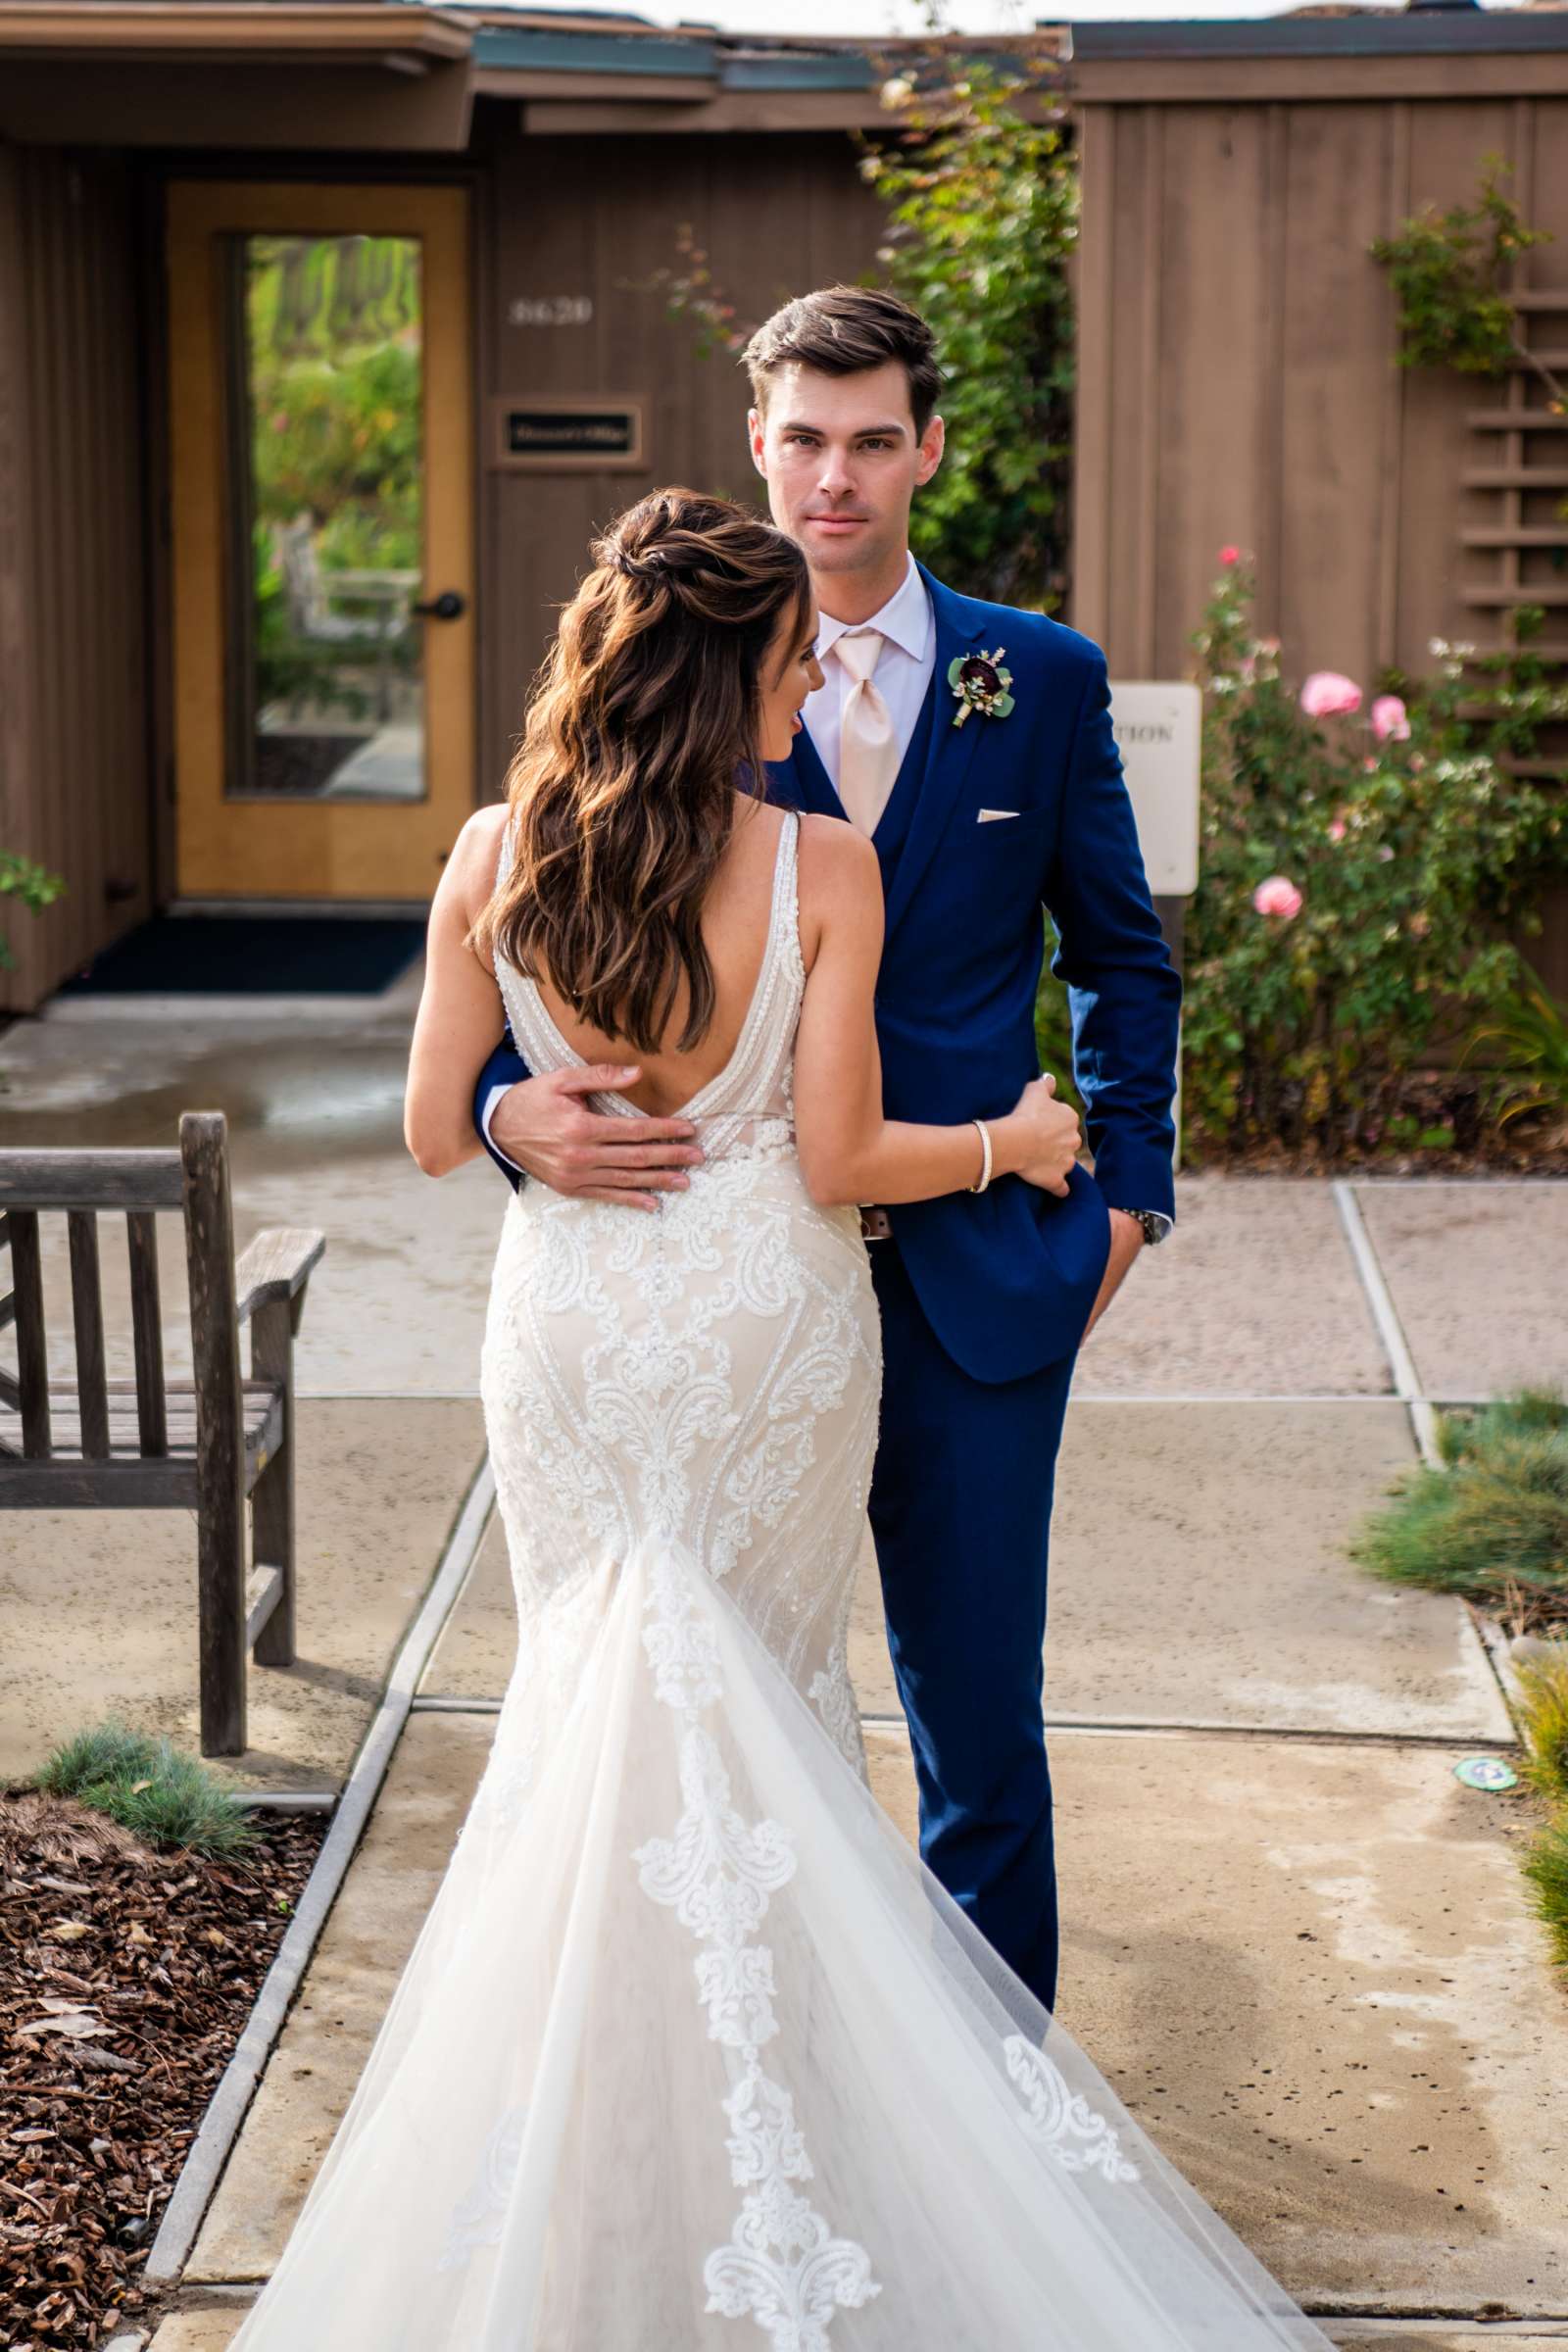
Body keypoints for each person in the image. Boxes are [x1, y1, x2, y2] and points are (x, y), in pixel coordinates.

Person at [224, 485, 1338, 2350]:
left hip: (573, 1330)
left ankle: (591, 2182)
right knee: (762, 1714)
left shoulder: (495, 850)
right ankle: (788, 2157)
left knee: (597, 1704)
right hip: (759, 1337)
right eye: (791, 654)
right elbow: (835, 1161)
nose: (815, 674)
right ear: (728, 665)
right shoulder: (821, 869)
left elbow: (433, 1126)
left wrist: (520, 1118)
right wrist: (1026, 1138)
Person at [473, 287, 1181, 2017]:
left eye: (874, 441)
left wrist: (1128, 1207)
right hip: (703, 1302)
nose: (835, 478)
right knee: (701, 1702)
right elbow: (529, 949)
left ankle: (992, 2107)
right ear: (756, 444)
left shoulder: (1043, 679)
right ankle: (728, 2070)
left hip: (970, 1291)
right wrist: (507, 1119)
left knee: (976, 1728)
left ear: (928, 448)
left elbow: (1123, 953)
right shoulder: (651, 679)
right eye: (804, 438)